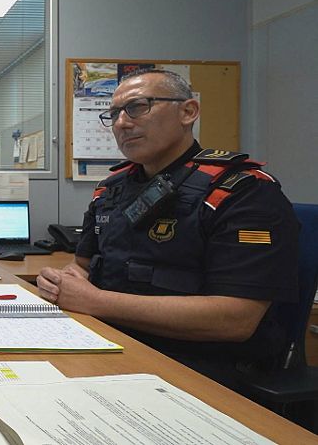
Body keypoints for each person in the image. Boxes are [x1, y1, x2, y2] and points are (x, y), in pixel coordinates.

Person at [37, 68, 299, 386]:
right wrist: (63, 282)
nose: (121, 122)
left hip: (202, 366)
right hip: (115, 343)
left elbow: (236, 319)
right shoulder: (110, 190)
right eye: (114, 113)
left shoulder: (241, 191)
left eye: (137, 107)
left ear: (188, 112)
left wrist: (94, 301)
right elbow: (81, 266)